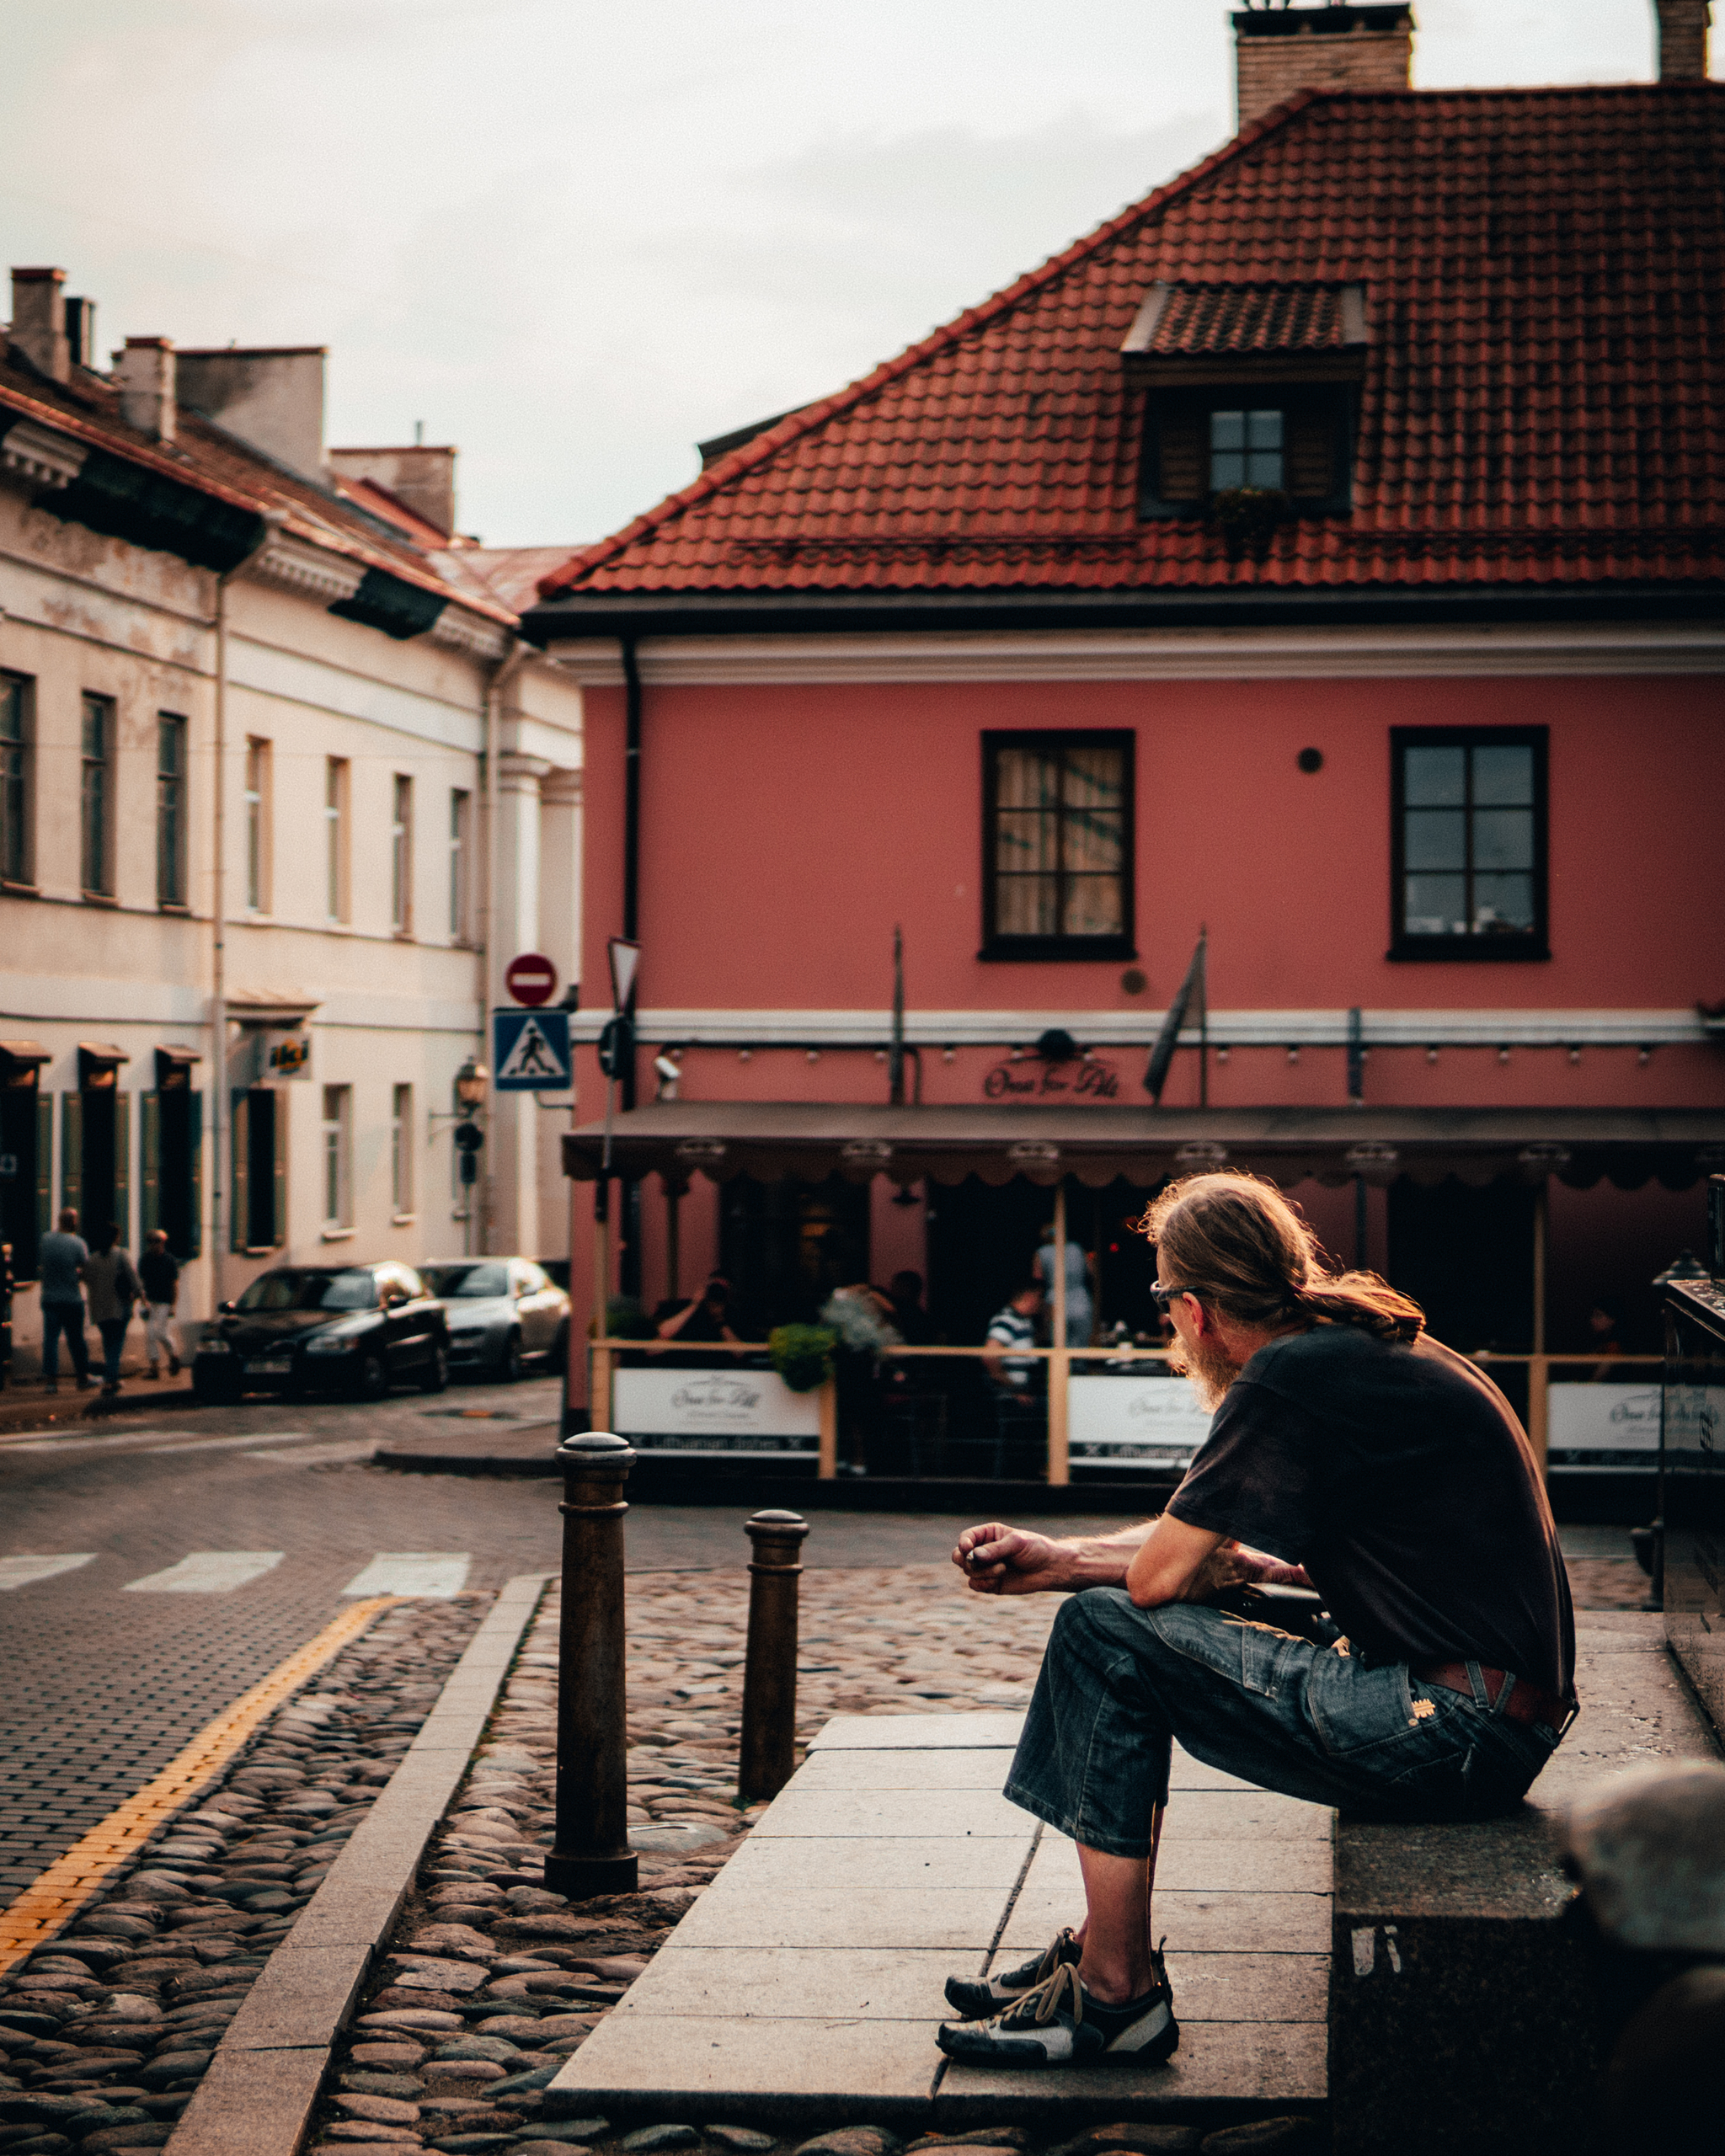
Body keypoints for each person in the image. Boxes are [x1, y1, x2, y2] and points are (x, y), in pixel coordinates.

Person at [938, 1171, 1575, 2072]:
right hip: (1482, 1716)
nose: (1167, 1319)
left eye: (1162, 1297)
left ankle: (1115, 1993)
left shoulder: (1290, 1371)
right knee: (1110, 1620)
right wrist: (1061, 1556)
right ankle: (1099, 1950)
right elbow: (1229, 1555)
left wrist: (1064, 1569)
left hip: (1450, 1732)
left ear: (1193, 1307)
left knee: (1098, 1631)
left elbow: (1159, 1579)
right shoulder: (1356, 1347)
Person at [83, 1224, 142, 1396]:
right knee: (116, 1344)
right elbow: (133, 1277)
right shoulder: (121, 1255)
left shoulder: (93, 1259)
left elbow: (87, 1279)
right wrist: (139, 1294)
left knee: (108, 1342)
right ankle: (110, 1380)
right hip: (118, 1306)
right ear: (115, 1237)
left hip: (99, 1308)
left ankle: (112, 1377)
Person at [37, 1207, 91, 1392]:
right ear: (74, 1222)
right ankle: (82, 1377)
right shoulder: (78, 1244)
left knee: (50, 1341)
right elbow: (85, 1269)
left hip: (50, 1297)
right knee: (76, 1340)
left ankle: (51, 1381)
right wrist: (76, 1274)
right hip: (71, 1299)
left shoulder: (46, 1240)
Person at [1034, 1224, 1094, 1347]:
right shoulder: (1077, 1248)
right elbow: (1091, 1270)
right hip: (1080, 1301)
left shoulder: (1042, 1252)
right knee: (1081, 1344)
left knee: (1059, 1344)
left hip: (1056, 1300)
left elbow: (1037, 1277)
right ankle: (1079, 1365)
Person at [983, 1282, 1043, 1396]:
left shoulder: (1025, 1321)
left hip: (1024, 1391)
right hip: (1010, 1396)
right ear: (1028, 1297)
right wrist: (1014, 1391)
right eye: (1040, 1297)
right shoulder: (1005, 1320)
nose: (1042, 1302)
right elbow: (989, 1358)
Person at [139, 1230, 181, 1379]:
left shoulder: (169, 1260)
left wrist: (173, 1305)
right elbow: (142, 1282)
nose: (153, 1245)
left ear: (162, 1242)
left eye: (156, 1241)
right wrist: (143, 1301)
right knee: (150, 1334)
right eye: (150, 1242)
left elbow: (174, 1284)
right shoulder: (145, 1259)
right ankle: (154, 1367)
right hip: (150, 1301)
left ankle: (173, 1355)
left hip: (164, 1301)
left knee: (161, 1333)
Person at [655, 1275, 741, 1343]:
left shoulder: (733, 1315)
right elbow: (662, 1334)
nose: (716, 1292)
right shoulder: (684, 1308)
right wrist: (694, 1305)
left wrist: (720, 1320)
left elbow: (740, 1354)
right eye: (713, 1288)